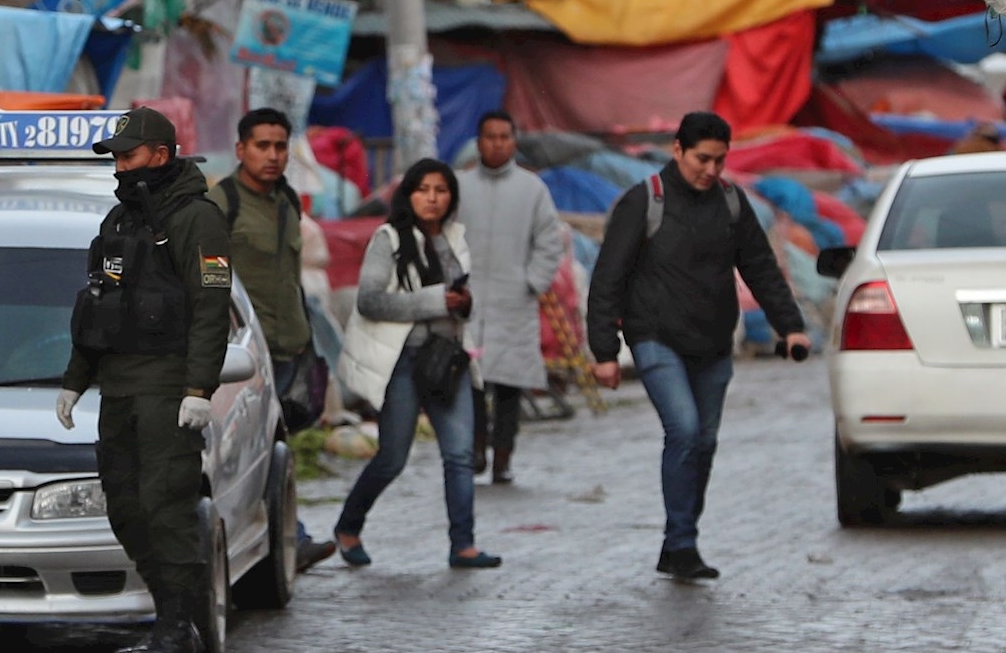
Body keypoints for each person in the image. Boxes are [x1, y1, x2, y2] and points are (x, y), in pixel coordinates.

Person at [586, 112, 810, 582]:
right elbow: (608, 278)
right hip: (655, 339)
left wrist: (790, 326)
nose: (710, 170)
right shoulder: (644, 201)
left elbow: (761, 268)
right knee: (684, 431)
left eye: (720, 161)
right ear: (677, 150)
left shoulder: (731, 203)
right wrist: (605, 351)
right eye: (702, 159)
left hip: (712, 344)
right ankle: (682, 542)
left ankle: (678, 541)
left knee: (704, 444)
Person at [56, 108, 233, 653]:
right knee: (126, 507)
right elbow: (99, 306)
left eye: (127, 156)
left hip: (167, 389)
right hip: (119, 389)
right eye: (114, 157)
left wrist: (199, 389)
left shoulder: (196, 219)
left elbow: (210, 308)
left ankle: (179, 626)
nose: (119, 166)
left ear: (159, 154)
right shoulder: (119, 221)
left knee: (167, 507)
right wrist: (74, 380)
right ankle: (168, 616)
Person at [333, 159, 501, 570]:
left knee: (460, 454)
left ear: (451, 198)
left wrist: (463, 303)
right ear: (408, 194)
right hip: (404, 362)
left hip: (449, 359)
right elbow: (370, 300)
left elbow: (459, 297)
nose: (432, 198)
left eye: (441, 190)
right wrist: (434, 300)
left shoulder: (455, 238)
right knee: (392, 456)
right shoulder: (387, 239)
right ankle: (348, 526)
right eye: (423, 189)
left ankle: (463, 544)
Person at [207, 108, 335, 572]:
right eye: (262, 145)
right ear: (241, 150)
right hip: (246, 355)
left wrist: (306, 340)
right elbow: (210, 282)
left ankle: (283, 538)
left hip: (291, 348)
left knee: (281, 448)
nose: (273, 155)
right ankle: (281, 541)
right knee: (256, 452)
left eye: (280, 146)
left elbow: (290, 276)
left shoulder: (287, 201)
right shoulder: (222, 205)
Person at [457, 111, 568, 485]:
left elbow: (550, 241)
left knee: (509, 386)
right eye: (490, 137)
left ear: (514, 141)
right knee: (469, 381)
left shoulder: (532, 189)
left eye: (505, 137)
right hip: (469, 302)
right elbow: (443, 239)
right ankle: (474, 449)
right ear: (479, 141)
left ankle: (503, 457)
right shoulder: (460, 186)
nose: (498, 144)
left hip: (513, 300)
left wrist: (532, 281)